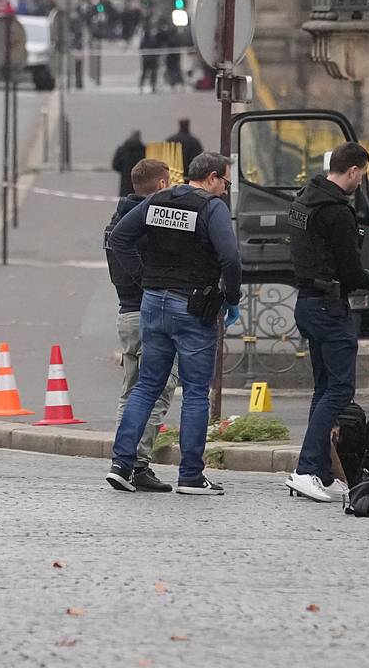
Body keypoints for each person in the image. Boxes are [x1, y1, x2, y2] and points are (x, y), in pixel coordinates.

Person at [106, 151, 242, 495]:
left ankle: (122, 465)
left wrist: (143, 278)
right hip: (193, 306)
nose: (225, 190)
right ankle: (191, 476)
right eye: (225, 182)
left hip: (153, 303)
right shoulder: (212, 208)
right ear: (211, 177)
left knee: (147, 385)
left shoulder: (158, 201)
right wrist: (232, 298)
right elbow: (230, 256)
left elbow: (119, 238)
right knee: (196, 392)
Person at [285, 142, 369, 504]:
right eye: (361, 174)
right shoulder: (337, 212)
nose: (361, 181)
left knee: (324, 389)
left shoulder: (305, 200)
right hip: (330, 309)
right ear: (352, 171)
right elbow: (349, 271)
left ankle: (320, 472)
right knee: (339, 391)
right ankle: (305, 470)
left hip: (307, 302)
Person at [104, 158, 180, 492]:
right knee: (158, 391)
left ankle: (121, 460)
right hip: (152, 312)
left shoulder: (115, 221)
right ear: (162, 184)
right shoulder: (154, 222)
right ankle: (137, 463)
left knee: (130, 392)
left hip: (126, 313)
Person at [111, 130, 147, 196]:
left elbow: (115, 165)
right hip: (139, 183)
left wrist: (124, 170)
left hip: (125, 182)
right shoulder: (143, 150)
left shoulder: (122, 150)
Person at [138, 21, 160, 93]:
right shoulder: (153, 40)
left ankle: (142, 86)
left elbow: (141, 48)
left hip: (147, 59)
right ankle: (152, 86)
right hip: (151, 59)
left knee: (145, 73)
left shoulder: (145, 40)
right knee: (152, 73)